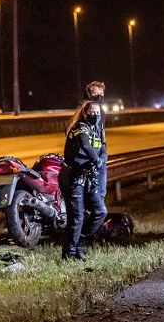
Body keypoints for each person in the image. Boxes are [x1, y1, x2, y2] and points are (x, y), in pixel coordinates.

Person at [60, 100, 108, 260]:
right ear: (85, 113)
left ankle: (79, 241)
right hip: (73, 177)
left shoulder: (99, 128)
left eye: (98, 113)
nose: (95, 116)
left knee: (100, 211)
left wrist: (101, 160)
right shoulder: (80, 127)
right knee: (77, 217)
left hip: (89, 177)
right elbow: (86, 146)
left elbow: (104, 149)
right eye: (92, 113)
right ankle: (69, 254)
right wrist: (96, 160)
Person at [83, 81, 108, 199]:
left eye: (101, 94)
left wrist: (103, 154)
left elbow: (101, 134)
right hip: (86, 159)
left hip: (99, 157)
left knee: (101, 191)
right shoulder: (84, 112)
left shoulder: (101, 112)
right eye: (95, 94)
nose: (99, 97)